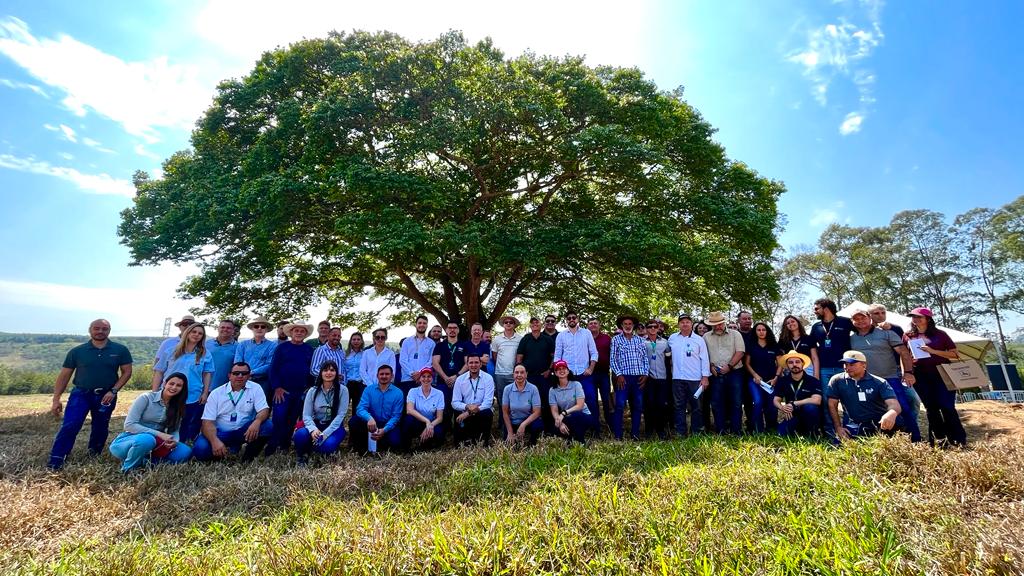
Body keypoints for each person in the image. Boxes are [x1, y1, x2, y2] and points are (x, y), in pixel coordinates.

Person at [47, 319, 133, 470]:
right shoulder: (77, 351)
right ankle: (57, 458)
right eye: (97, 328)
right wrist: (56, 399)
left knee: (101, 426)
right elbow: (64, 375)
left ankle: (94, 454)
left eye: (104, 329)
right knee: (70, 425)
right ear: (90, 330)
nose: (100, 331)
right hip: (81, 394)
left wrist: (113, 391)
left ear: (109, 331)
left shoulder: (120, 350)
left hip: (106, 395)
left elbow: (127, 372)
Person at [849, 308, 922, 442]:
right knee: (869, 411)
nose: (860, 321)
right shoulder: (851, 339)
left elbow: (904, 352)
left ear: (869, 318)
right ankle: (878, 440)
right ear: (852, 322)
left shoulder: (886, 333)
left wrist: (908, 372)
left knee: (903, 409)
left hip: (889, 379)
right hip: (865, 381)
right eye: (856, 319)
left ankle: (915, 441)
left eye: (863, 317)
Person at [905, 307, 967, 447]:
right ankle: (938, 441)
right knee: (931, 409)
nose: (915, 319)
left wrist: (933, 351)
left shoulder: (940, 334)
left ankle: (957, 439)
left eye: (919, 317)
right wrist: (907, 373)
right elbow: (905, 356)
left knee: (947, 406)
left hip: (942, 373)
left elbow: (955, 354)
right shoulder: (908, 335)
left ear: (928, 319)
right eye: (913, 317)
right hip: (920, 375)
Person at [109, 372, 192, 473]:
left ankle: (146, 461)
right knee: (147, 439)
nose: (174, 387)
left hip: (157, 444)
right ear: (164, 384)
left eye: (179, 385)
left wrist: (174, 441)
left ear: (182, 389)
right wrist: (160, 434)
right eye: (171, 383)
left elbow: (174, 430)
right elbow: (129, 425)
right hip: (131, 441)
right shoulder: (146, 398)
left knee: (185, 452)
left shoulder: (178, 406)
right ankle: (128, 469)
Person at [193, 362, 272, 461]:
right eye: (236, 373)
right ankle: (220, 454)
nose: (240, 376)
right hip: (220, 433)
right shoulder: (216, 393)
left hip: (244, 431)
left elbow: (264, 409)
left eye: (244, 373)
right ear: (229, 376)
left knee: (267, 426)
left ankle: (248, 458)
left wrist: (257, 422)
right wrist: (214, 441)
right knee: (200, 450)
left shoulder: (256, 388)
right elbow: (207, 423)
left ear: (248, 376)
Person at [151, 323, 214, 442]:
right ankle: (160, 445)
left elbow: (207, 374)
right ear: (187, 333)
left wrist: (205, 393)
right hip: (170, 393)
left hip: (192, 394)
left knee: (186, 423)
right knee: (165, 421)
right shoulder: (171, 351)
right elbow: (159, 371)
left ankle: (181, 445)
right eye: (194, 332)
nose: (196, 335)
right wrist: (155, 392)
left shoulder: (205, 354)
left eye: (200, 333)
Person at [827, 351, 904, 443]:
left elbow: (894, 404)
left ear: (864, 365)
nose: (847, 367)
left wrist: (891, 413)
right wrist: (838, 427)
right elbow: (832, 404)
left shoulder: (879, 382)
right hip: (856, 424)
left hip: (881, 422)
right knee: (840, 448)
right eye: (845, 364)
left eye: (852, 364)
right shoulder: (837, 380)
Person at [868, 303, 923, 424]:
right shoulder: (863, 330)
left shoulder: (895, 328)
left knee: (912, 399)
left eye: (883, 313)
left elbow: (905, 351)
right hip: (876, 372)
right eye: (876, 313)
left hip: (898, 371)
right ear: (869, 315)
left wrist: (908, 372)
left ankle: (911, 426)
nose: (881, 316)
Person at [267, 322, 315, 454]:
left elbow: (312, 370)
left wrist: (309, 386)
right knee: (279, 418)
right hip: (282, 391)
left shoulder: (309, 349)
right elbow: (273, 369)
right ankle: (272, 445)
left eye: (302, 331)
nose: (299, 333)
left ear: (305, 334)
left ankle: (285, 445)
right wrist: (277, 387)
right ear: (291, 333)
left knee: (292, 419)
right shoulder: (282, 348)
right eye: (296, 331)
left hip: (300, 391)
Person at [810, 298, 854, 441]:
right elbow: (809, 346)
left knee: (848, 401)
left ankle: (849, 433)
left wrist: (886, 326)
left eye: (817, 308)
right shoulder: (816, 327)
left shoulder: (845, 322)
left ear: (826, 308)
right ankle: (831, 434)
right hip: (824, 369)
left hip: (845, 369)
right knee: (828, 402)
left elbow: (864, 329)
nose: (814, 311)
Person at [293, 360, 349, 463]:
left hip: (333, 426)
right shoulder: (312, 391)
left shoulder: (343, 390)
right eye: (325, 370)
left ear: (336, 373)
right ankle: (302, 456)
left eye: (332, 370)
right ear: (321, 373)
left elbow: (341, 415)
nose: (328, 373)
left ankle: (319, 448)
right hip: (316, 424)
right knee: (300, 435)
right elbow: (306, 415)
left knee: (328, 446)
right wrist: (313, 429)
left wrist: (325, 434)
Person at [554, 312, 599, 431]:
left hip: (584, 374)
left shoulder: (586, 333)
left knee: (591, 400)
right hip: (569, 376)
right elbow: (557, 356)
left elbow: (594, 352)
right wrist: (560, 372)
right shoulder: (561, 336)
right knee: (570, 403)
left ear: (577, 319)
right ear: (566, 321)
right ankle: (572, 428)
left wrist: (591, 368)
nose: (571, 319)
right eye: (569, 318)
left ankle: (595, 429)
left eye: (574, 317)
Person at [667, 313, 710, 437]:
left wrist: (705, 377)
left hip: (695, 379)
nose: (685, 324)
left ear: (691, 324)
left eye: (687, 322)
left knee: (696, 406)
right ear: (678, 324)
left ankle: (696, 432)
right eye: (682, 322)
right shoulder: (672, 338)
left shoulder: (699, 340)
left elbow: (705, 359)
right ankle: (681, 432)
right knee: (679, 406)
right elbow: (667, 354)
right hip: (677, 378)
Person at [703, 311, 746, 434]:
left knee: (736, 402)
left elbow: (740, 351)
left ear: (724, 322)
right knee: (716, 403)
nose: (718, 327)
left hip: (735, 372)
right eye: (715, 324)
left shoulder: (735, 334)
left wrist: (729, 366)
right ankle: (721, 430)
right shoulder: (706, 336)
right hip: (715, 374)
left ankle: (736, 430)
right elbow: (704, 355)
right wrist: (710, 366)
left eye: (720, 324)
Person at [609, 314, 649, 441]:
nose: (627, 326)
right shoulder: (616, 340)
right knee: (620, 405)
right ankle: (618, 435)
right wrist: (618, 374)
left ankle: (635, 433)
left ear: (633, 326)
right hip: (623, 378)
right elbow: (613, 359)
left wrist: (645, 374)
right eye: (625, 324)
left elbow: (645, 359)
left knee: (637, 405)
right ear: (621, 326)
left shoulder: (641, 340)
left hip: (638, 377)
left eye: (630, 324)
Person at [350, 364, 404, 455]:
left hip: (388, 424)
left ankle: (381, 444)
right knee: (354, 421)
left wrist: (385, 430)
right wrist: (369, 418)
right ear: (377, 376)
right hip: (371, 423)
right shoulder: (368, 390)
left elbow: (396, 416)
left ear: (392, 376)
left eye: (387, 374)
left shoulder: (398, 393)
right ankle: (361, 447)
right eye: (381, 374)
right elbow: (360, 408)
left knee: (395, 442)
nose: (384, 376)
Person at [516, 317, 556, 433]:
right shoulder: (525, 339)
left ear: (541, 325)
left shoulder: (547, 339)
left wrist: (549, 369)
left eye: (536, 322)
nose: (534, 324)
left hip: (544, 376)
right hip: (529, 377)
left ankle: (548, 428)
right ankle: (530, 427)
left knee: (546, 401)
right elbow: (519, 357)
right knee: (529, 402)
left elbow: (553, 356)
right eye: (532, 323)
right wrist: (521, 371)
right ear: (530, 325)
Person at [772, 352, 823, 437]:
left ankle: (812, 433)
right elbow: (776, 400)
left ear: (803, 363)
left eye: (797, 362)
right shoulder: (783, 381)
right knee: (781, 434)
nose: (794, 365)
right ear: (787, 366)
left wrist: (794, 403)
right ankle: (798, 431)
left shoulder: (813, 381)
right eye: (790, 362)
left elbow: (817, 400)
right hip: (792, 414)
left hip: (808, 414)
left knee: (810, 407)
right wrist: (783, 407)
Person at [744, 322, 782, 433]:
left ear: (767, 331)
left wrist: (776, 377)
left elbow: (780, 364)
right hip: (755, 380)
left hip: (771, 381)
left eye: (763, 330)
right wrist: (755, 375)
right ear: (755, 332)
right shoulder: (751, 345)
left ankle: (771, 428)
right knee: (758, 401)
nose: (761, 332)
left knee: (771, 405)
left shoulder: (774, 345)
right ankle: (756, 428)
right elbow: (747, 364)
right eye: (758, 330)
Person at [452, 354, 495, 446]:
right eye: (471, 363)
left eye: (476, 362)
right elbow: (455, 402)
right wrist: (467, 407)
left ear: (480, 364)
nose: (473, 365)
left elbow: (488, 402)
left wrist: (469, 413)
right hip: (465, 410)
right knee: (459, 444)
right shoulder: (460, 380)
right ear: (467, 364)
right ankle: (465, 440)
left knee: (487, 412)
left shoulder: (488, 378)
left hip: (481, 411)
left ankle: (483, 441)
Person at [234, 316, 278, 403]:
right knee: (240, 405)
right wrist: (244, 374)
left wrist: (251, 372)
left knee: (260, 406)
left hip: (262, 381)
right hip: (242, 380)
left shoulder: (272, 346)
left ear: (266, 329)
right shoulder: (243, 344)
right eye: (256, 326)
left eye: (263, 326)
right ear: (252, 329)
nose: (259, 328)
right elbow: (237, 362)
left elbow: (270, 365)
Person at [549, 360, 594, 445]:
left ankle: (580, 443)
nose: (562, 371)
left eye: (564, 368)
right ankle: (571, 439)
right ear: (555, 373)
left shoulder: (576, 384)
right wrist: (560, 422)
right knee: (555, 428)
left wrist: (563, 414)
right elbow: (554, 410)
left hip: (583, 415)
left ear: (568, 371)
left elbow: (580, 406)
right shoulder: (552, 390)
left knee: (575, 416)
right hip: (567, 417)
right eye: (559, 369)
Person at [401, 367, 446, 451]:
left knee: (438, 435)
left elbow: (440, 418)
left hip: (432, 422)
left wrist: (430, 425)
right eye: (423, 376)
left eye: (429, 376)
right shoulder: (413, 391)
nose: (426, 379)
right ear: (420, 378)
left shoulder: (439, 393)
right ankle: (406, 447)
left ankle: (425, 443)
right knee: (408, 420)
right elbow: (409, 410)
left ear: (432, 379)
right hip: (418, 421)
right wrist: (426, 421)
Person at [501, 364, 543, 446]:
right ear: (513, 374)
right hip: (513, 421)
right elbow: (505, 412)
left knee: (537, 425)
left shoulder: (533, 388)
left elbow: (537, 412)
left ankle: (532, 445)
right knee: (509, 445)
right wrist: (510, 432)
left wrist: (523, 425)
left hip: (528, 421)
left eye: (522, 372)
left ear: (526, 374)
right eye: (516, 372)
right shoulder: (507, 389)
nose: (519, 375)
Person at [643, 319, 671, 440]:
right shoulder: (642, 342)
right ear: (646, 329)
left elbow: (669, 359)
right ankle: (649, 430)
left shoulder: (665, 342)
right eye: (650, 327)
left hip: (662, 377)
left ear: (658, 328)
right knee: (649, 405)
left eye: (655, 327)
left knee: (661, 405)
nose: (653, 329)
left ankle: (661, 430)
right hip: (648, 378)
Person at [399, 315, 436, 397]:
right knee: (408, 405)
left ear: (427, 325)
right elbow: (402, 360)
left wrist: (420, 373)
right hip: (407, 379)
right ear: (416, 324)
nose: (422, 325)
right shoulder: (406, 341)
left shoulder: (431, 343)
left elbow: (431, 361)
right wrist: (412, 373)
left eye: (424, 323)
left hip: (424, 379)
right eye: (419, 323)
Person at [491, 315, 523, 406]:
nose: (508, 324)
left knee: (516, 397)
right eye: (506, 322)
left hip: (515, 373)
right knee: (501, 398)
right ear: (503, 325)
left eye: (511, 322)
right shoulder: (497, 339)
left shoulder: (520, 339)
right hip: (500, 373)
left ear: (514, 325)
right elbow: (494, 356)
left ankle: (515, 419)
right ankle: (502, 419)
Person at [359, 328, 397, 395]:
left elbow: (392, 372)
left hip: (384, 388)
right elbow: (362, 370)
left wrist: (382, 385)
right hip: (367, 387)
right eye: (377, 337)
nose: (380, 339)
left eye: (382, 337)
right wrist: (371, 385)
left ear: (386, 338)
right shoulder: (366, 353)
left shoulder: (390, 354)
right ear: (374, 338)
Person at [206, 319, 238, 391]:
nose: (225, 329)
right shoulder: (207, 344)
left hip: (225, 388)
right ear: (218, 329)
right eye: (222, 327)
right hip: (204, 387)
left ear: (233, 330)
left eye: (228, 328)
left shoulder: (238, 347)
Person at [343, 332, 366, 412]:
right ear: (350, 341)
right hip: (348, 383)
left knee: (357, 408)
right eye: (354, 339)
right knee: (343, 407)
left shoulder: (365, 354)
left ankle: (355, 424)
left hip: (360, 384)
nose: (356, 341)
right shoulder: (345, 354)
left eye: (358, 339)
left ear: (362, 341)